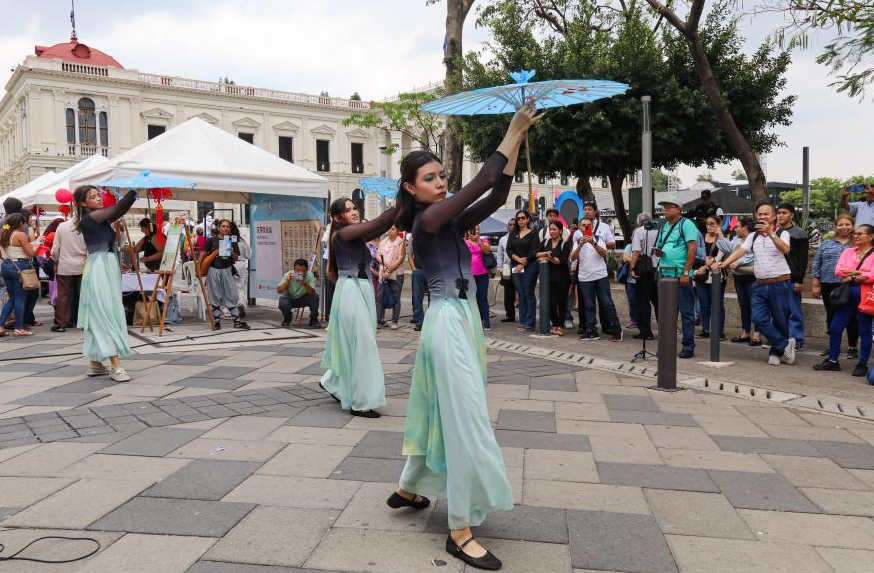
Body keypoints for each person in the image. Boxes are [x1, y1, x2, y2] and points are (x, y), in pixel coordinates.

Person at [389, 103, 536, 571]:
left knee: (444, 410)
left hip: (461, 318)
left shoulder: (447, 220)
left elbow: (497, 193)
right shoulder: (427, 222)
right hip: (448, 323)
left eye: (441, 176)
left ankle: (408, 488)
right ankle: (459, 530)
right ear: (410, 188)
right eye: (430, 178)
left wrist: (518, 140)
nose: (441, 182)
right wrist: (511, 130)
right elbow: (483, 179)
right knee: (464, 418)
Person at [320, 200, 395, 419]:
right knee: (362, 345)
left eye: (355, 208)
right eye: (348, 210)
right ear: (337, 217)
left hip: (362, 289)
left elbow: (382, 225)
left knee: (358, 342)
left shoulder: (355, 235)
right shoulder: (342, 234)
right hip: (351, 290)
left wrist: (402, 210)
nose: (354, 212)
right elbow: (380, 222)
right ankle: (360, 402)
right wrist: (403, 201)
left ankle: (333, 381)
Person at [714, 203, 796, 366]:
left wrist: (770, 232)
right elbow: (741, 251)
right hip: (760, 284)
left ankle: (776, 352)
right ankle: (784, 344)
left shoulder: (782, 233)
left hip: (779, 282)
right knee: (757, 318)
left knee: (780, 320)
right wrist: (725, 263)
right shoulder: (753, 236)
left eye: (766, 214)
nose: (763, 217)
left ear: (773, 216)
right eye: (760, 214)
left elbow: (785, 249)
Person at [72, 185, 138, 381]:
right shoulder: (90, 218)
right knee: (106, 312)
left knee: (101, 312)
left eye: (98, 195)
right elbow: (119, 208)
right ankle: (115, 365)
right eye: (93, 197)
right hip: (99, 267)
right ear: (83, 203)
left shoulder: (97, 218)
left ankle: (95, 363)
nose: (98, 198)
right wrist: (134, 192)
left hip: (105, 264)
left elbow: (116, 215)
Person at [813, 224, 874, 376]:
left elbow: (872, 276)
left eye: (860, 234)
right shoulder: (848, 251)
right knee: (835, 327)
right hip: (847, 293)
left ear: (870, 237)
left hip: (865, 294)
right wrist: (861, 273)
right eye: (855, 233)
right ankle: (833, 361)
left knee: (864, 330)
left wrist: (851, 275)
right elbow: (838, 270)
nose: (856, 236)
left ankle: (862, 364)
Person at [654, 197, 699, 358]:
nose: (665, 209)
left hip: (680, 275)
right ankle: (666, 346)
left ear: (678, 209)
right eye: (664, 207)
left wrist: (686, 272)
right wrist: (658, 251)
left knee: (686, 313)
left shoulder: (686, 224)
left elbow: (692, 248)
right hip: (664, 273)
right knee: (666, 313)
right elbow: (660, 245)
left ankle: (688, 346)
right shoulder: (664, 226)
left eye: (668, 207)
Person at [812, 214, 857, 360]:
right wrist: (816, 283)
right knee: (831, 315)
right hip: (828, 284)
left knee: (852, 317)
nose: (844, 227)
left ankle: (852, 347)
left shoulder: (857, 244)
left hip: (851, 284)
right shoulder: (827, 243)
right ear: (835, 226)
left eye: (847, 224)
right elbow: (817, 262)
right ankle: (832, 345)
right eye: (841, 224)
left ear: (852, 226)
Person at [572, 218, 622, 341]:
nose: (586, 227)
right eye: (583, 225)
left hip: (600, 276)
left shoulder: (598, 239)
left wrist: (593, 243)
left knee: (607, 303)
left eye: (588, 225)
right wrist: (580, 245)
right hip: (585, 277)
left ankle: (617, 330)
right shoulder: (577, 240)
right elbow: (572, 258)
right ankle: (592, 331)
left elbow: (604, 254)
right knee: (588, 304)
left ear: (592, 227)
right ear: (580, 228)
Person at [199, 219, 250, 331]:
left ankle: (237, 322)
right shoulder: (211, 240)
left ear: (230, 229)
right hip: (213, 270)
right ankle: (217, 322)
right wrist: (198, 268)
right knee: (215, 296)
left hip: (227, 270)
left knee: (232, 295)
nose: (225, 228)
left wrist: (231, 252)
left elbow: (236, 258)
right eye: (223, 226)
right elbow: (203, 253)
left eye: (227, 226)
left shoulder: (232, 240)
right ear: (219, 228)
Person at [718, 219, 760, 346]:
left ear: (745, 227)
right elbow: (728, 249)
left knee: (755, 305)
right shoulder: (736, 239)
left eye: (737, 227)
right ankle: (745, 332)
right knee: (743, 305)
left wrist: (739, 262)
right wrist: (720, 235)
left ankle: (757, 334)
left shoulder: (755, 238)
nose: (735, 229)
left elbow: (754, 254)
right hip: (738, 277)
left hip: (752, 277)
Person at [777, 203, 808, 350]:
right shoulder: (774, 232)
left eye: (784, 213)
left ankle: (796, 341)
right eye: (779, 213)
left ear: (792, 215)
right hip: (776, 276)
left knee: (794, 311)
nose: (781, 215)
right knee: (778, 310)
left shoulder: (799, 233)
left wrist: (799, 279)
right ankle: (780, 340)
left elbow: (802, 259)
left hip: (792, 277)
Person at [0, 213, 38, 337]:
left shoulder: (3, 234)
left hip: (6, 265)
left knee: (12, 297)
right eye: (24, 223)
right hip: (19, 266)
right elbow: (30, 253)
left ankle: (1, 326)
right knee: (20, 297)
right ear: (21, 223)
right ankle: (19, 328)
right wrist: (37, 245)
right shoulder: (20, 235)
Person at [50, 217, 87, 333]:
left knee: (63, 295)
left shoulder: (62, 226)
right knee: (85, 294)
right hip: (84, 265)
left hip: (65, 265)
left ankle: (62, 322)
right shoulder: (88, 226)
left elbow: (55, 249)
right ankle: (85, 321)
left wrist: (56, 261)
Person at [693, 216, 726, 340]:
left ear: (719, 224)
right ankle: (705, 329)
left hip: (716, 275)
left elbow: (720, 256)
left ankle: (719, 331)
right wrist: (701, 266)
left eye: (712, 224)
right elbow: (695, 253)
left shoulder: (722, 238)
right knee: (704, 304)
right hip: (701, 276)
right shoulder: (701, 237)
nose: (709, 226)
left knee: (718, 304)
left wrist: (705, 266)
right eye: (707, 224)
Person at [536, 220, 571, 335]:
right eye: (550, 229)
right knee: (550, 302)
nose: (551, 231)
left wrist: (548, 257)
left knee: (562, 303)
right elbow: (536, 254)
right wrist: (547, 254)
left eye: (554, 229)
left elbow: (560, 261)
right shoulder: (545, 242)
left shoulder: (564, 244)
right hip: (548, 278)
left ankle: (560, 326)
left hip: (562, 278)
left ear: (560, 231)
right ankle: (555, 325)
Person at [630, 211, 660, 341]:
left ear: (639, 222)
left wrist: (632, 267)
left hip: (645, 270)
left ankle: (646, 331)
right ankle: (665, 330)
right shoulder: (659, 231)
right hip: (658, 269)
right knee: (658, 302)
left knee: (643, 302)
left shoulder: (639, 231)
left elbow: (636, 251)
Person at [507, 209, 538, 332]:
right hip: (516, 264)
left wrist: (524, 262)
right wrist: (518, 259)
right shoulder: (513, 234)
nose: (520, 220)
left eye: (523, 218)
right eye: (518, 218)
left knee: (528, 292)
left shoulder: (534, 233)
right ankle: (523, 321)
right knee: (520, 293)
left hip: (530, 265)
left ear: (528, 219)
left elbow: (534, 250)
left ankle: (530, 323)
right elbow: (509, 249)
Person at [376, 225, 407, 330]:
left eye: (393, 229)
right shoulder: (382, 242)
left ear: (398, 231)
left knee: (396, 296)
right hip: (383, 273)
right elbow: (378, 256)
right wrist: (386, 266)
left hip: (396, 273)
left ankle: (394, 321)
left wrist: (389, 269)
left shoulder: (401, 242)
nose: (390, 231)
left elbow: (400, 258)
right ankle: (378, 320)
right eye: (389, 228)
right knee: (380, 297)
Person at [276, 258, 321, 328]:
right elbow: (279, 290)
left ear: (307, 270)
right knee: (282, 302)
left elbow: (312, 292)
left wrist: (305, 284)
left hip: (303, 298)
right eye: (298, 270)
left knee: (315, 297)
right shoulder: (288, 275)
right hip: (290, 299)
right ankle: (287, 318)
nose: (300, 273)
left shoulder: (310, 275)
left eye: (303, 271)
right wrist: (287, 281)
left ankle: (314, 320)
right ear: (294, 270)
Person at [465, 225, 493, 331]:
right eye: (474, 229)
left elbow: (487, 251)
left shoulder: (484, 240)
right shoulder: (464, 242)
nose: (476, 231)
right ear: (469, 231)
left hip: (482, 274)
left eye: (478, 229)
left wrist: (478, 241)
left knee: (482, 297)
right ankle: (474, 320)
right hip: (468, 274)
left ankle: (486, 321)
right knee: (471, 298)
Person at [495, 218, 517, 323]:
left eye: (513, 224)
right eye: (510, 224)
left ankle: (524, 316)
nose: (511, 226)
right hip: (507, 267)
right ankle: (510, 315)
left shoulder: (519, 237)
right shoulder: (503, 239)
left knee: (521, 290)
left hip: (517, 266)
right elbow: (499, 255)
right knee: (508, 292)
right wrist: (500, 268)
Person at [408, 233, 428, 332]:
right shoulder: (413, 236)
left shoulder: (435, 234)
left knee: (434, 298)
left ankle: (431, 322)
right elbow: (410, 254)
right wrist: (414, 269)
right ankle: (419, 322)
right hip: (418, 270)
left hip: (432, 272)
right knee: (417, 298)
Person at [621, 243, 638, 329]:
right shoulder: (629, 246)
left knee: (643, 302)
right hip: (630, 280)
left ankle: (642, 321)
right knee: (631, 301)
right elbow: (625, 258)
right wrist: (637, 260)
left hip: (642, 280)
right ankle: (634, 320)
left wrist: (631, 260)